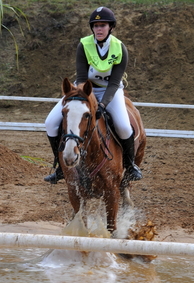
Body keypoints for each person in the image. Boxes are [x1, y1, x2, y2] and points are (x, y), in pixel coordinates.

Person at [44, 6, 142, 184]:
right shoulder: (84, 44)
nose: (99, 29)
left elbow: (113, 82)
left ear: (110, 27)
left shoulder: (120, 48)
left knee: (124, 127)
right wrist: (86, 100)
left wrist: (102, 105)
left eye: (102, 25)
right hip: (83, 90)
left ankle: (131, 165)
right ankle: (59, 166)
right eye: (95, 25)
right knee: (50, 122)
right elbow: (81, 78)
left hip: (110, 92)